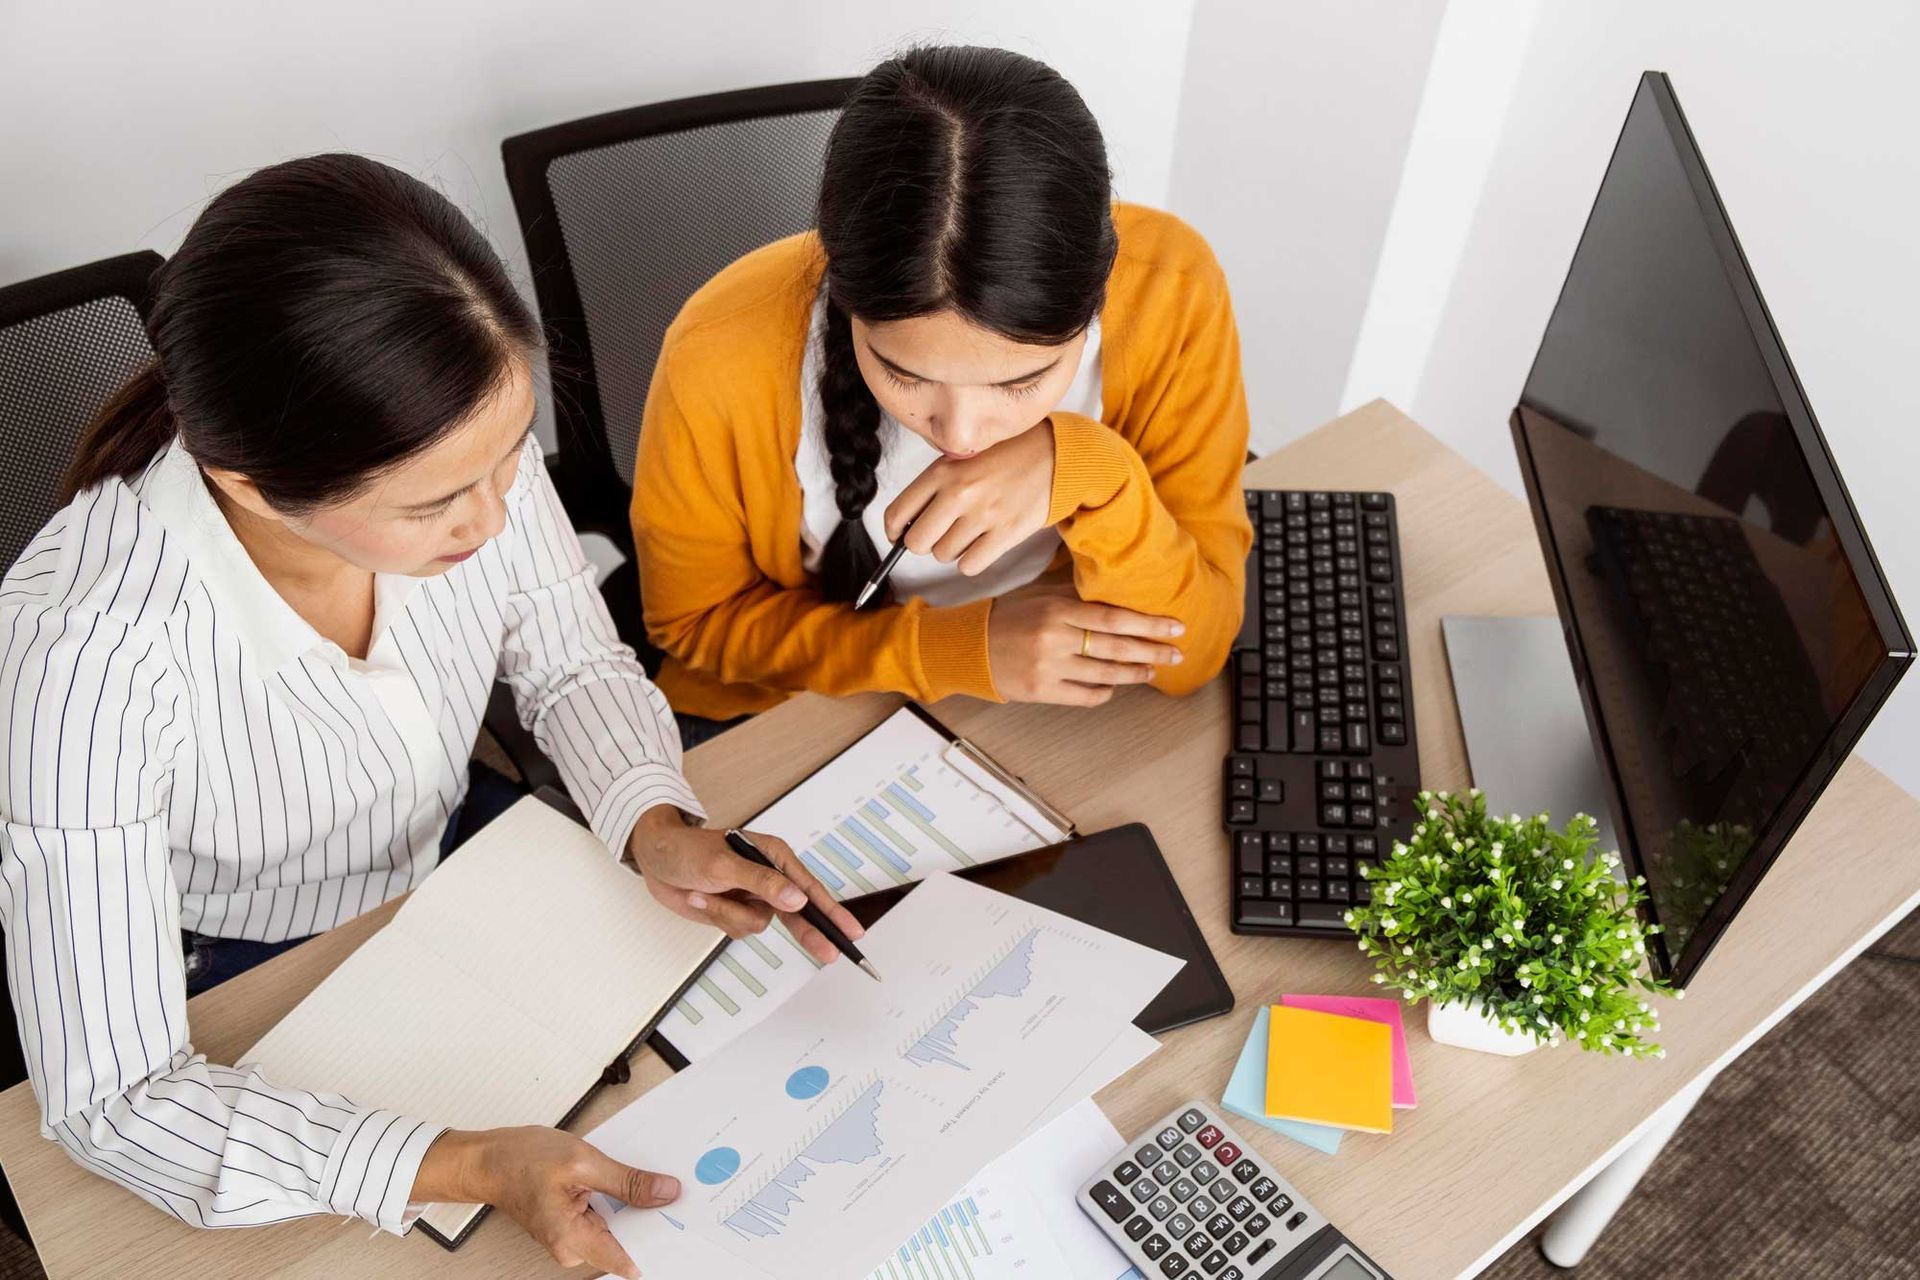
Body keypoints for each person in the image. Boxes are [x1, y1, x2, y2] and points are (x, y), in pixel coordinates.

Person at [0, 153, 859, 1279]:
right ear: (253, 485)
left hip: (477, 856)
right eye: (437, 503)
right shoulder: (85, 653)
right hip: (256, 958)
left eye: (512, 460)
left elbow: (572, 663)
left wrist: (654, 817)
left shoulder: (461, 435)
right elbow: (115, 1096)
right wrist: (463, 1164)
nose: (497, 519)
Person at [631, 45, 1251, 735]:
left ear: (1097, 299)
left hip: (1052, 715)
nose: (959, 435)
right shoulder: (717, 350)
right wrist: (956, 648)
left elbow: (1191, 652)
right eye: (903, 374)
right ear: (842, 290)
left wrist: (1090, 474)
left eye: (1023, 381)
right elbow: (695, 624)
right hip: (807, 713)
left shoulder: (1173, 289)